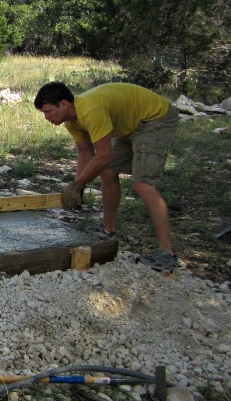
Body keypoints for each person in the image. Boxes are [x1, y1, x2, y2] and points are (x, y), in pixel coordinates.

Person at [34, 81, 180, 271]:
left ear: (64, 104)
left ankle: (167, 253)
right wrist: (78, 187)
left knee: (143, 185)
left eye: (48, 111)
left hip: (155, 118)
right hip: (132, 124)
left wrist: (76, 184)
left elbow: (104, 155)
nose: (46, 118)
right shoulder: (71, 121)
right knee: (107, 171)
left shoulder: (90, 110)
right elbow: (86, 152)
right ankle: (107, 230)